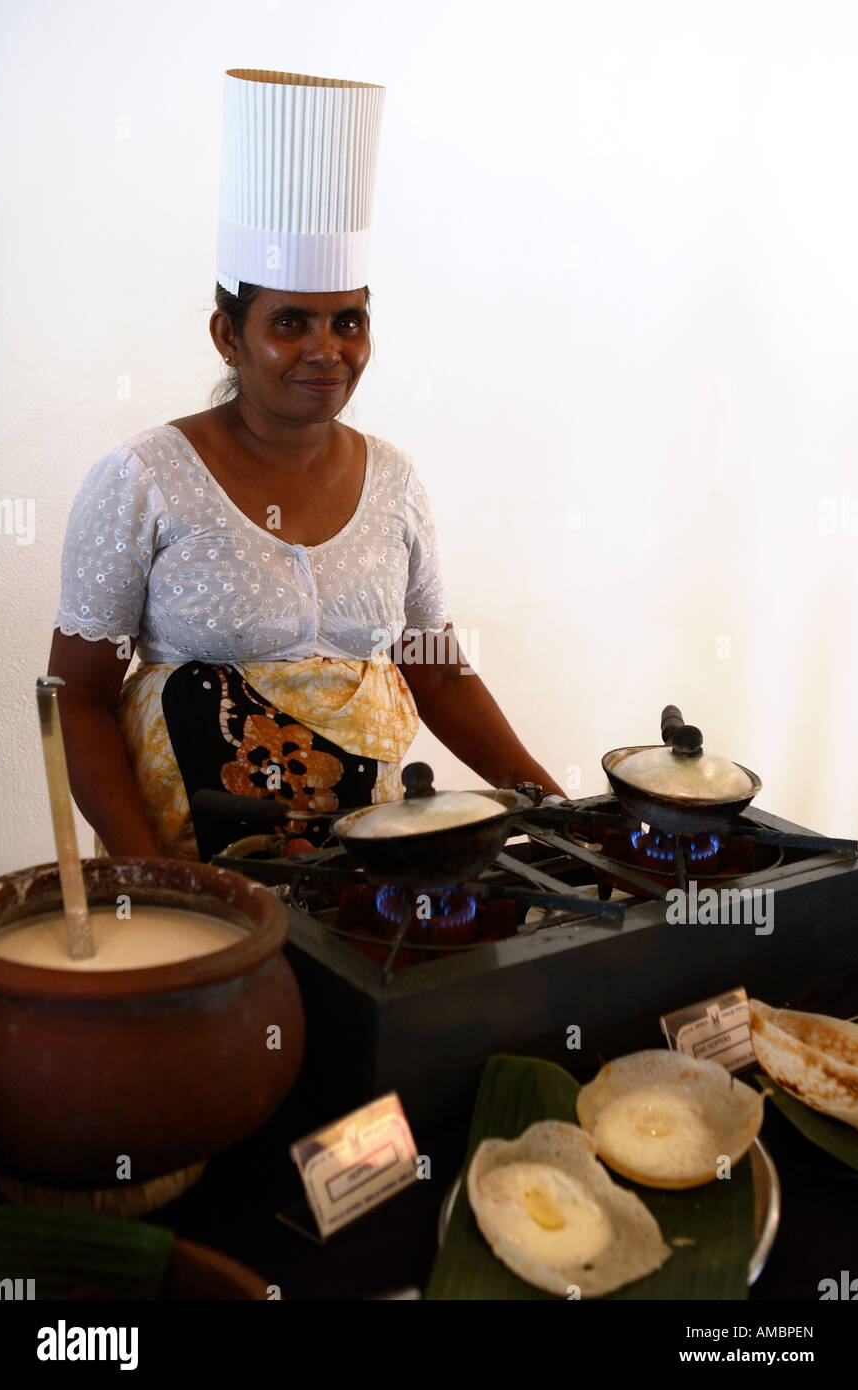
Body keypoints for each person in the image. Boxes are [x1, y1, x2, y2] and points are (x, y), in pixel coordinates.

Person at [47, 70, 564, 861]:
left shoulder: (394, 479)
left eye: (348, 321)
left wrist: (551, 808)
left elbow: (438, 674)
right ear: (228, 334)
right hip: (197, 857)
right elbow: (78, 698)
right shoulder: (145, 476)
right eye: (290, 322)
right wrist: (149, 873)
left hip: (371, 856)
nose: (328, 349)